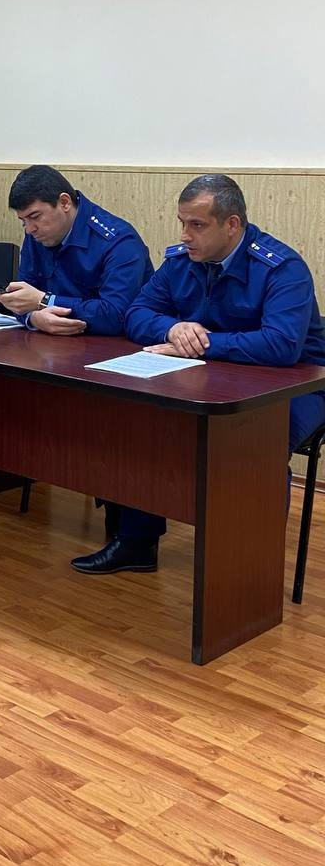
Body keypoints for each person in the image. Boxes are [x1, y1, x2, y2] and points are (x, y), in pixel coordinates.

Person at [71, 173, 325, 575]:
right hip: (214, 376)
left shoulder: (282, 268)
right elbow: (136, 313)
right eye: (182, 223)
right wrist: (172, 329)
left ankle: (248, 570)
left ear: (232, 224)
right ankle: (137, 543)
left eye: (197, 225)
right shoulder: (181, 262)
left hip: (296, 386)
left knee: (252, 439)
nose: (185, 235)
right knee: (139, 416)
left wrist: (201, 343)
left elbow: (281, 345)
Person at [0, 165, 153, 335]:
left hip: (113, 344)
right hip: (53, 341)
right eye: (23, 221)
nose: (29, 229)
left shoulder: (119, 241)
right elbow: (23, 297)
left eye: (35, 216)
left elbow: (115, 315)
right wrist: (33, 318)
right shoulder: (37, 234)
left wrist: (45, 301)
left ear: (65, 202)